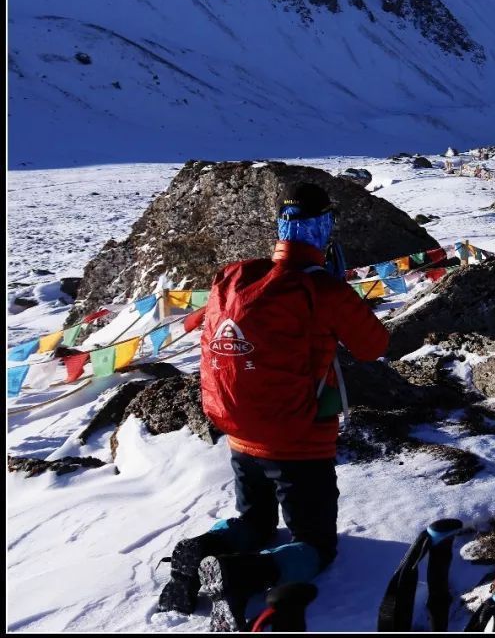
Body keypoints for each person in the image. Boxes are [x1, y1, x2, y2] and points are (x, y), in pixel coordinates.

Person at [157, 182, 390, 631]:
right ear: (324, 228)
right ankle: (244, 574)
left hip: (241, 433)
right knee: (316, 544)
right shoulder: (321, 289)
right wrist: (340, 291)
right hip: (300, 442)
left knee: (256, 524)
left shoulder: (234, 276)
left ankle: (203, 548)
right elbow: (373, 345)